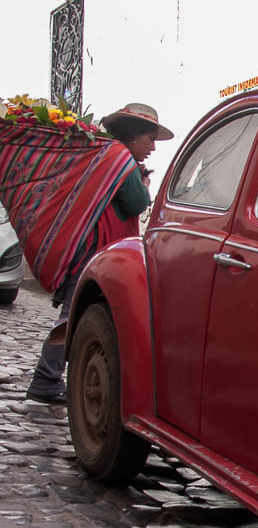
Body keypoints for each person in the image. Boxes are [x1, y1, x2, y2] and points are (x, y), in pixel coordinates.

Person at [25, 103, 173, 403]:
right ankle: (45, 379)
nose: (153, 148)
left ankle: (56, 378)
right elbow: (135, 203)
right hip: (94, 252)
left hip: (84, 249)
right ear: (133, 137)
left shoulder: (105, 155)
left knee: (75, 315)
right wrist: (144, 185)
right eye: (149, 139)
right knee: (72, 317)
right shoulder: (120, 159)